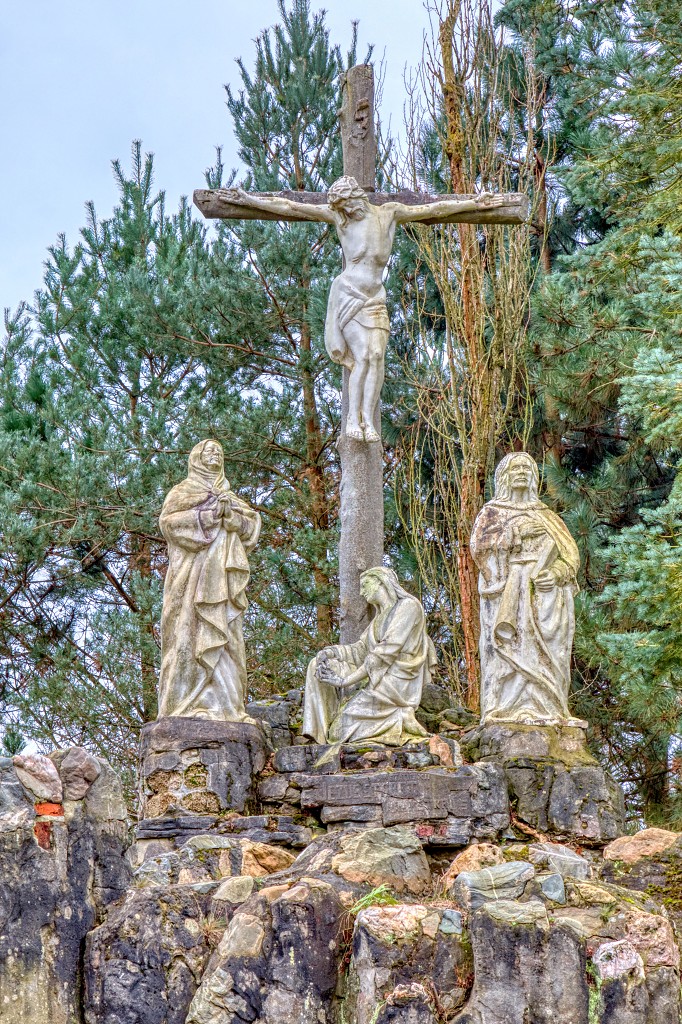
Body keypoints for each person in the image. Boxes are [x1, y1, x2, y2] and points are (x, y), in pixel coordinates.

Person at [221, 177, 505, 442]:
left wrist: (474, 204)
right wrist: (248, 199)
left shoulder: (389, 213)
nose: (346, 211)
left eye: (348, 205)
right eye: (341, 208)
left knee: (377, 356)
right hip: (349, 295)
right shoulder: (340, 220)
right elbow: (289, 205)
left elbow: (436, 208)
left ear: (358, 196)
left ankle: (367, 419)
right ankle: (351, 421)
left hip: (375, 298)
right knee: (362, 358)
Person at [470, 452, 582, 726]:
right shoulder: (492, 513)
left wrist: (555, 574)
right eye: (515, 468)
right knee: (509, 649)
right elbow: (479, 549)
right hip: (507, 590)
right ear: (504, 477)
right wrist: (514, 531)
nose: (521, 472)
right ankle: (506, 708)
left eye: (526, 468)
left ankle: (550, 710)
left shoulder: (548, 516)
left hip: (545, 596)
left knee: (547, 653)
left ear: (534, 477)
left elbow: (571, 556)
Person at [157, 439, 261, 721]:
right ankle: (187, 706)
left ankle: (228, 708)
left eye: (219, 451)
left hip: (223, 584)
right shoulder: (182, 492)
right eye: (209, 451)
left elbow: (251, 527)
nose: (215, 454)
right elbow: (169, 524)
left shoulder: (230, 496)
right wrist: (207, 516)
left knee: (227, 638)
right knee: (187, 636)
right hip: (191, 579)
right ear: (196, 458)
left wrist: (232, 518)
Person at [302, 567, 436, 745]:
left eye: (365, 585)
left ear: (382, 582)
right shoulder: (379, 619)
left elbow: (383, 654)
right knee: (316, 665)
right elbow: (360, 650)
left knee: (338, 732)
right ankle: (315, 735)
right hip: (376, 677)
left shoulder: (408, 607)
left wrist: (345, 681)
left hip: (395, 683)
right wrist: (331, 652)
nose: (361, 591)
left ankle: (399, 716)